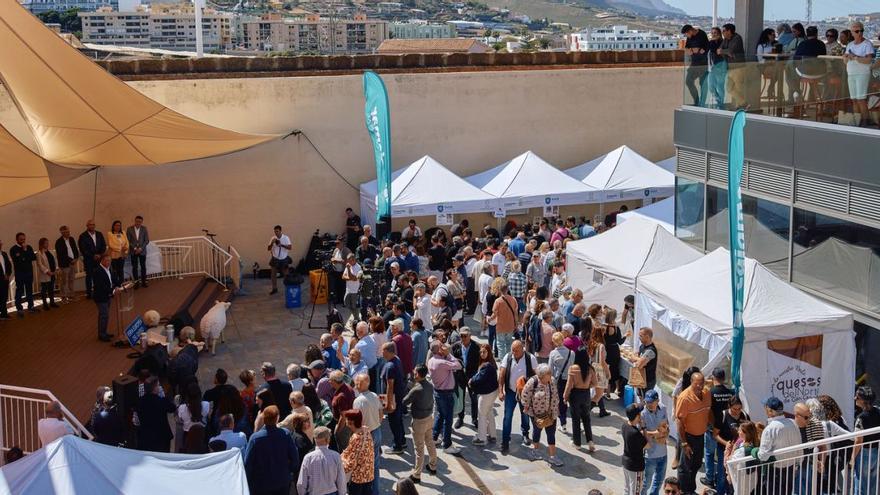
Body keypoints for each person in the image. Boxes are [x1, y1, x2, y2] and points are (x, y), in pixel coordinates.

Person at [245, 405, 299, 495]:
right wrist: (288, 472)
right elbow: (295, 458)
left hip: (261, 485)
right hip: (282, 482)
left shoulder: (255, 438)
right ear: (277, 418)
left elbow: (248, 464)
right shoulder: (285, 434)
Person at [675, 371, 712, 494]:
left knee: (696, 464)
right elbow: (679, 422)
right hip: (688, 437)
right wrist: (684, 443)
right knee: (684, 467)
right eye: (697, 384)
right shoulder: (685, 398)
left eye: (701, 383)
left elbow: (708, 410)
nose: (700, 386)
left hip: (701, 436)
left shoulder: (707, 393)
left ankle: (690, 488)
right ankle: (683, 491)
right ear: (691, 382)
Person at [754, 396, 801, 494]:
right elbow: (799, 446)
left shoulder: (770, 429)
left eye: (765, 408)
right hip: (790, 468)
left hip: (776, 471)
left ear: (770, 410)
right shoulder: (793, 422)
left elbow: (762, 456)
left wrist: (754, 452)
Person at [498, 339, 537, 454]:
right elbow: (502, 374)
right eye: (513, 350)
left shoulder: (531, 358)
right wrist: (501, 390)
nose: (514, 353)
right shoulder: (508, 357)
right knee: (507, 416)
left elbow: (536, 375)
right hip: (511, 391)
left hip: (525, 393)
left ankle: (525, 433)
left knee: (525, 414)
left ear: (522, 349)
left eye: (516, 350)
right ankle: (505, 441)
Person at [521, 363, 562, 466]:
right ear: (540, 376)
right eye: (546, 377)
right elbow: (525, 395)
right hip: (536, 414)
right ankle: (535, 451)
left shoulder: (552, 381)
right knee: (537, 431)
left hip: (551, 412)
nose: (548, 380)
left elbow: (555, 395)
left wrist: (555, 409)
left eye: (549, 375)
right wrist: (526, 407)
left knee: (551, 433)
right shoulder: (533, 382)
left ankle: (552, 456)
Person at [403, 364, 438, 483]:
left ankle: (417, 474)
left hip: (419, 421)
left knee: (419, 449)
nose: (413, 374)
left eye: (415, 372)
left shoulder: (416, 389)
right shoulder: (430, 385)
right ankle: (433, 465)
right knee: (430, 442)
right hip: (429, 418)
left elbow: (405, 401)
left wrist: (409, 387)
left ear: (418, 374)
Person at [427, 341, 462, 455]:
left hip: (437, 392)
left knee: (440, 415)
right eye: (442, 346)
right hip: (446, 393)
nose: (444, 347)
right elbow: (458, 365)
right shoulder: (442, 362)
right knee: (448, 419)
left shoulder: (431, 361)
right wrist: (449, 354)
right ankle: (447, 444)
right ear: (439, 350)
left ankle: (434, 437)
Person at [703, 367, 734, 490]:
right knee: (722, 458)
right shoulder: (731, 393)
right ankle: (722, 484)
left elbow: (707, 411)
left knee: (709, 454)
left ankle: (709, 478)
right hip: (726, 430)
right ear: (724, 378)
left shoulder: (710, 393)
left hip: (712, 429)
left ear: (713, 378)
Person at [353, 373, 383, 495]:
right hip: (377, 432)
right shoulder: (374, 396)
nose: (356, 385)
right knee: (375, 465)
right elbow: (381, 413)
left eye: (357, 383)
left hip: (366, 435)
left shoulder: (358, 401)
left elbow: (356, 422)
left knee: (364, 466)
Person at [713, 395, 749, 495]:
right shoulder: (723, 415)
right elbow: (715, 434)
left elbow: (749, 432)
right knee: (722, 475)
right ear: (729, 406)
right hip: (724, 451)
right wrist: (726, 444)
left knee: (735, 475)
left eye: (739, 408)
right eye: (734, 409)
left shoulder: (745, 416)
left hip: (738, 451)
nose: (737, 411)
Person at [563, 346, 597, 451]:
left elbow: (569, 385)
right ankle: (590, 441)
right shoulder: (590, 369)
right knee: (587, 418)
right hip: (586, 394)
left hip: (575, 395)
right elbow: (595, 383)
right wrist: (587, 387)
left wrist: (565, 396)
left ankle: (577, 443)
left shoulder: (573, 368)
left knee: (576, 419)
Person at [297, 426, 346, 495]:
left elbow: (301, 482)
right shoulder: (336, 456)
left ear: (314, 439)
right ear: (328, 439)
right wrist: (342, 493)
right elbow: (341, 479)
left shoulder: (308, 457)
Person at [844, 22, 876, 126]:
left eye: (861, 31)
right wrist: (846, 57)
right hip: (851, 73)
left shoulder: (867, 44)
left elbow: (869, 60)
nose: (860, 33)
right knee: (854, 99)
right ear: (852, 32)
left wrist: (856, 57)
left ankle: (865, 120)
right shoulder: (850, 44)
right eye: (857, 31)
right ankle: (857, 120)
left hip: (862, 73)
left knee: (861, 99)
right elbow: (845, 60)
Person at [793, 401, 826, 495]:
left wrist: (822, 463)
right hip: (795, 465)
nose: (809, 419)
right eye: (806, 417)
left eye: (810, 415)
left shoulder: (815, 424)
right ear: (797, 416)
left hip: (810, 465)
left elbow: (823, 447)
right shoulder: (791, 426)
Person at [852, 386, 880, 495]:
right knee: (872, 483)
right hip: (876, 451)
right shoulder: (878, 411)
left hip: (865, 453)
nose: (855, 398)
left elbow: (858, 440)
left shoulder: (861, 418)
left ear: (863, 400)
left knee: (860, 483)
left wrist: (852, 458)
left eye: (857, 397)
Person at [469, 343, 499, 446]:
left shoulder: (487, 366)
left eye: (484, 352)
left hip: (487, 394)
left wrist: (471, 380)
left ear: (489, 352)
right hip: (492, 392)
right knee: (489, 412)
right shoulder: (490, 363)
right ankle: (492, 435)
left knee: (482, 415)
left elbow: (479, 379)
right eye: (481, 352)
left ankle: (481, 438)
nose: (482, 354)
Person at [340, 409, 375, 495]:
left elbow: (352, 462)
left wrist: (339, 468)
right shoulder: (366, 431)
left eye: (347, 419)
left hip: (358, 478)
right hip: (368, 474)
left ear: (351, 422)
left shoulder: (356, 438)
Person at [641, 390, 669, 495]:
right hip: (650, 455)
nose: (649, 404)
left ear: (657, 401)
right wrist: (654, 433)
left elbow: (666, 424)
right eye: (647, 402)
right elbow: (639, 432)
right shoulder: (642, 414)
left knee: (659, 481)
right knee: (646, 483)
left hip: (663, 453)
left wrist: (666, 430)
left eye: (651, 402)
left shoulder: (663, 409)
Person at [136, 377, 175, 452]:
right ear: (154, 388)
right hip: (161, 439)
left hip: (146, 438)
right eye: (158, 385)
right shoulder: (161, 402)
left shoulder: (139, 402)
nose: (159, 387)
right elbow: (172, 408)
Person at [203, 368, 245, 436]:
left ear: (216, 379)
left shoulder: (210, 393)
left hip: (220, 416)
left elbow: (204, 402)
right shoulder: (232, 388)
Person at [453, 327, 480, 429]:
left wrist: (475, 377)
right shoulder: (456, 346)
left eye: (465, 336)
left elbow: (480, 364)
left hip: (472, 377)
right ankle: (461, 418)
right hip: (460, 377)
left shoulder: (476, 347)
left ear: (470, 336)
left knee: (474, 398)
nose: (463, 338)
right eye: (461, 336)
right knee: (461, 398)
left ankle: (474, 419)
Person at [549, 332, 574, 432]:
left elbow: (550, 369)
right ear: (563, 340)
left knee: (561, 403)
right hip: (570, 379)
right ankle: (577, 423)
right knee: (572, 401)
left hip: (558, 381)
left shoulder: (553, 354)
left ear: (554, 342)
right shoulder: (571, 353)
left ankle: (563, 424)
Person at [622, 403, 649, 495]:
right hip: (635, 466)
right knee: (635, 492)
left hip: (626, 462)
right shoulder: (635, 433)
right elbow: (648, 445)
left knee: (627, 488)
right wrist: (644, 428)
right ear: (637, 416)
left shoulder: (624, 426)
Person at [93, 253, 120, 341]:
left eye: (110, 261)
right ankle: (101, 335)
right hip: (100, 296)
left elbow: (114, 279)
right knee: (104, 315)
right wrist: (112, 290)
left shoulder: (110, 269)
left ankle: (104, 332)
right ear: (102, 261)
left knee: (105, 315)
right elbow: (101, 286)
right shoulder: (97, 271)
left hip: (107, 296)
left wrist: (117, 285)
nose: (109, 262)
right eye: (107, 261)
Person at [718, 24, 745, 109]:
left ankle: (739, 107)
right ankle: (743, 103)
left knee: (738, 87)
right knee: (729, 87)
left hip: (738, 67)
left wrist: (724, 51)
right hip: (730, 67)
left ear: (729, 31)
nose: (722, 33)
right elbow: (719, 50)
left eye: (724, 31)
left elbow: (731, 50)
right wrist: (726, 52)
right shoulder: (726, 39)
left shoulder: (737, 38)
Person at [681, 24, 709, 107]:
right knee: (688, 81)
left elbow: (707, 46)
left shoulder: (702, 34)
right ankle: (696, 100)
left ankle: (702, 104)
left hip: (703, 63)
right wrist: (689, 50)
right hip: (694, 63)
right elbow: (686, 47)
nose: (686, 36)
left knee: (702, 83)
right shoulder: (689, 37)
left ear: (690, 31)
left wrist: (700, 49)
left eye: (686, 34)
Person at [78, 219, 106, 299]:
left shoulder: (99, 234)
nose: (92, 226)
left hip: (99, 259)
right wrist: (92, 255)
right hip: (89, 260)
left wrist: (99, 254)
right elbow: (83, 249)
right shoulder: (83, 236)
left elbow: (103, 245)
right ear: (87, 226)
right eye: (90, 225)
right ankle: (89, 293)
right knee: (89, 276)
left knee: (98, 276)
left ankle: (98, 291)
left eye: (93, 225)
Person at [10, 233, 37, 316]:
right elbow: (18, 260)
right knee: (20, 291)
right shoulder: (13, 249)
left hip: (29, 273)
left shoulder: (28, 247)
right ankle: (19, 309)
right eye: (21, 239)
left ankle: (31, 306)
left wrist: (25, 253)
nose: (23, 241)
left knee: (29, 290)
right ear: (17, 240)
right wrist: (24, 254)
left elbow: (33, 257)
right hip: (20, 274)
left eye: (24, 239)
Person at [588, 325, 611, 417]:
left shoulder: (591, 343)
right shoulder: (601, 346)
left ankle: (602, 410)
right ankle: (585, 412)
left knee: (598, 393)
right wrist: (608, 372)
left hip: (592, 368)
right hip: (599, 371)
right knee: (598, 395)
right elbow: (602, 361)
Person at [492, 281, 519, 359]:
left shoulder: (497, 301)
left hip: (500, 326)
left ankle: (503, 362)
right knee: (508, 344)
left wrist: (489, 319)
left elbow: (494, 314)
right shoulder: (513, 299)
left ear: (500, 290)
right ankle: (508, 360)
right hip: (510, 326)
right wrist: (516, 324)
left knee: (500, 345)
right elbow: (515, 314)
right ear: (507, 289)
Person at [54, 226, 80, 303]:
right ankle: (63, 297)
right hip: (65, 264)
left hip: (73, 263)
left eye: (68, 231)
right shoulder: (59, 242)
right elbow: (61, 254)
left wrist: (76, 258)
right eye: (66, 232)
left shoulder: (71, 239)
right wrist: (70, 260)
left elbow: (75, 249)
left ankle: (71, 295)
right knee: (64, 281)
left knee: (71, 280)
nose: (68, 233)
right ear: (62, 233)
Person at [631, 327, 658, 396]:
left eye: (641, 336)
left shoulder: (650, 351)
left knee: (646, 399)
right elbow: (635, 356)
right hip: (640, 377)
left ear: (647, 337)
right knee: (640, 395)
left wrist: (637, 359)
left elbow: (639, 365)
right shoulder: (642, 346)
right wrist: (639, 359)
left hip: (648, 380)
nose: (639, 338)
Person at [125, 215, 150, 288]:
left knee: (143, 267)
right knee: (134, 267)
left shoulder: (144, 229)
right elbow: (128, 241)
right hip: (133, 251)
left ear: (142, 222)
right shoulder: (129, 229)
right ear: (135, 221)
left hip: (142, 251)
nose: (138, 223)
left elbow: (146, 240)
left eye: (140, 221)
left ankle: (144, 282)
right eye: (137, 221)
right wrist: (135, 248)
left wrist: (141, 249)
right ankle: (136, 283)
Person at [267, 225, 292, 295]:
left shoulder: (286, 238)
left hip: (284, 258)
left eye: (277, 231)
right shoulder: (273, 238)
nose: (276, 233)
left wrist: (282, 245)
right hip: (275, 258)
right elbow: (268, 249)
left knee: (286, 274)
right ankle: (274, 288)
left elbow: (290, 247)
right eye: (275, 232)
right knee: (273, 274)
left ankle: (288, 288)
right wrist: (272, 243)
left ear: (281, 231)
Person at [35, 238, 58, 310]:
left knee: (51, 289)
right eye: (45, 243)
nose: (47, 244)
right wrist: (47, 271)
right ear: (41, 244)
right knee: (44, 290)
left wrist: (56, 269)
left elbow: (54, 261)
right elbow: (40, 264)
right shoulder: (39, 253)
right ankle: (45, 304)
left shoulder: (50, 252)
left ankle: (52, 302)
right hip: (45, 274)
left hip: (52, 273)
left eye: (47, 243)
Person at [342, 253, 362, 325]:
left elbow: (355, 278)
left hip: (355, 290)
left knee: (354, 306)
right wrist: (349, 278)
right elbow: (343, 277)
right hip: (348, 289)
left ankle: (356, 319)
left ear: (354, 259)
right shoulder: (348, 266)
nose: (349, 262)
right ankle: (356, 317)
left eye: (351, 260)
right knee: (346, 303)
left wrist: (348, 270)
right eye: (348, 260)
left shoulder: (358, 267)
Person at [0, 240, 10, 320]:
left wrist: (8, 274)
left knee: (4, 296)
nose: (0, 244)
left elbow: (9, 265)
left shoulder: (4, 254)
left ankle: (4, 313)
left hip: (5, 279)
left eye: (0, 242)